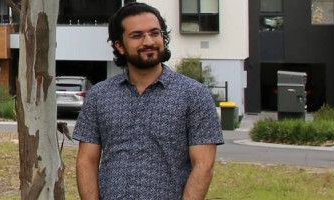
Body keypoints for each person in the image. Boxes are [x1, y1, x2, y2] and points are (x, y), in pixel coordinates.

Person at [73, 3, 223, 200]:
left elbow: (203, 165)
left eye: (155, 33)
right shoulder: (99, 95)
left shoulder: (194, 95)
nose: (149, 41)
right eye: (137, 35)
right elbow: (86, 161)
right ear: (119, 46)